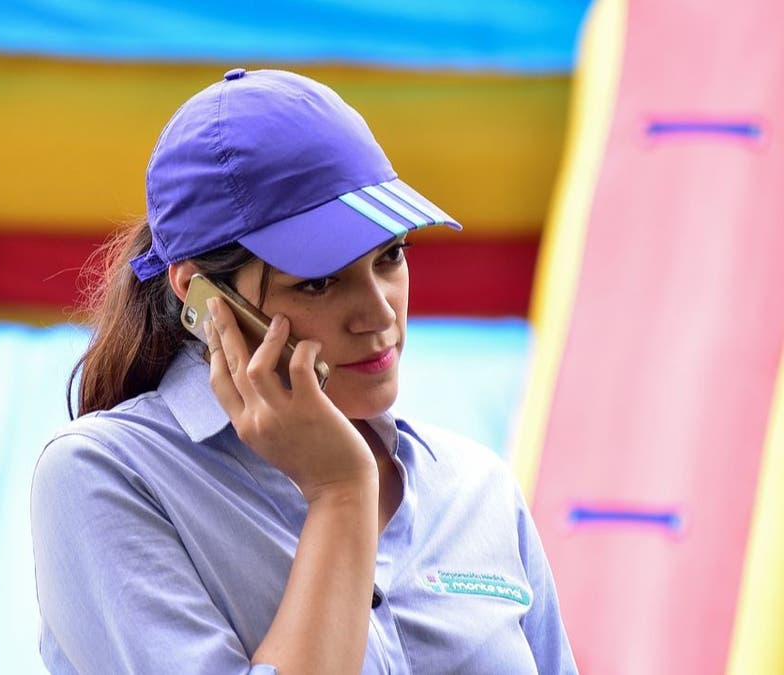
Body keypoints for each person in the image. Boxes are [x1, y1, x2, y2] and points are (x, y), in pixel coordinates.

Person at [31, 68, 576, 674]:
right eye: (319, 282)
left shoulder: (478, 488)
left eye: (392, 255)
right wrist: (341, 494)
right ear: (203, 297)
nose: (377, 314)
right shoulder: (105, 476)